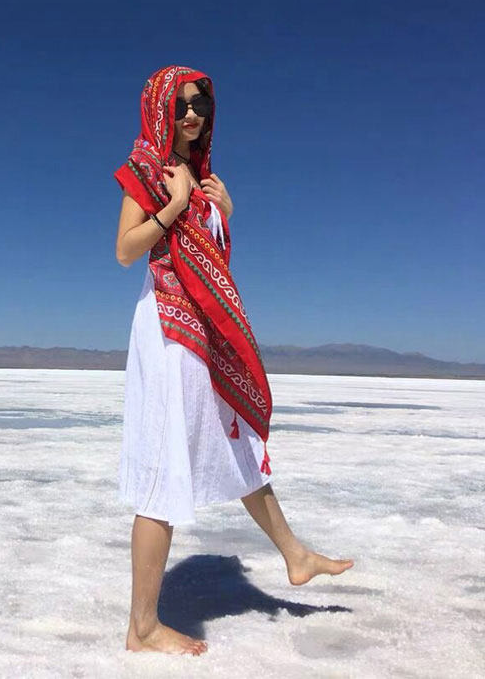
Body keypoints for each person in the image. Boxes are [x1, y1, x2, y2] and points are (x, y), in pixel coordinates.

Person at [115, 66, 353, 656]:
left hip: (204, 333)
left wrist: (224, 213)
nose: (192, 115)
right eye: (180, 105)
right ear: (160, 109)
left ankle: (294, 555)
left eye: (200, 104)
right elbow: (125, 250)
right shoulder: (147, 169)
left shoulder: (206, 180)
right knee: (164, 468)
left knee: (235, 439)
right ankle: (142, 628)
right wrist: (174, 205)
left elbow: (211, 264)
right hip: (169, 332)